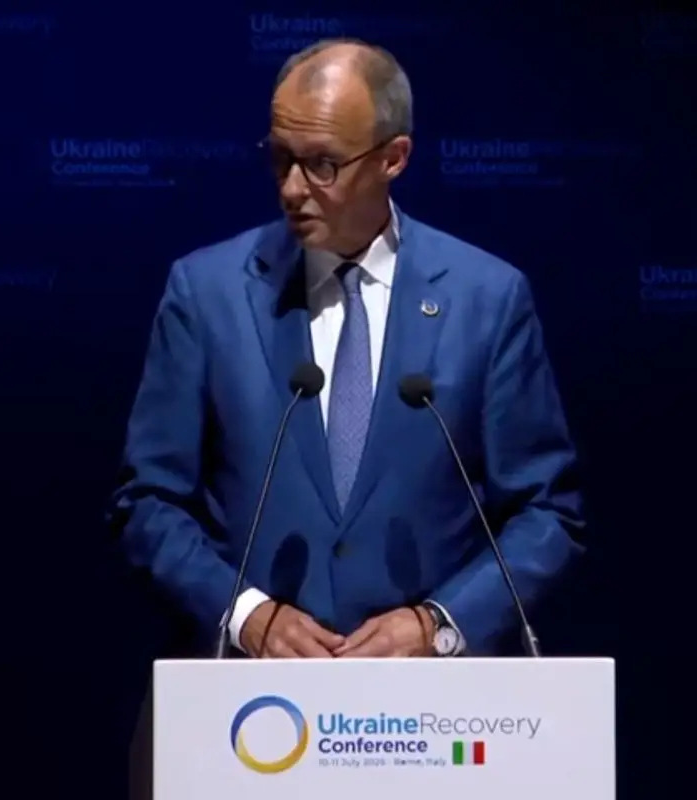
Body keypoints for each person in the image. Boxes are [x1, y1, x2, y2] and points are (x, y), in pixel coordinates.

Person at [107, 38, 585, 658]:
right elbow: (147, 501)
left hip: (431, 699)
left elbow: (546, 514)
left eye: (322, 164)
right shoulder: (206, 293)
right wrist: (245, 615)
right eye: (281, 158)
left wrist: (439, 625)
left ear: (393, 158)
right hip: (248, 695)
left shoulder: (487, 299)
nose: (292, 188)